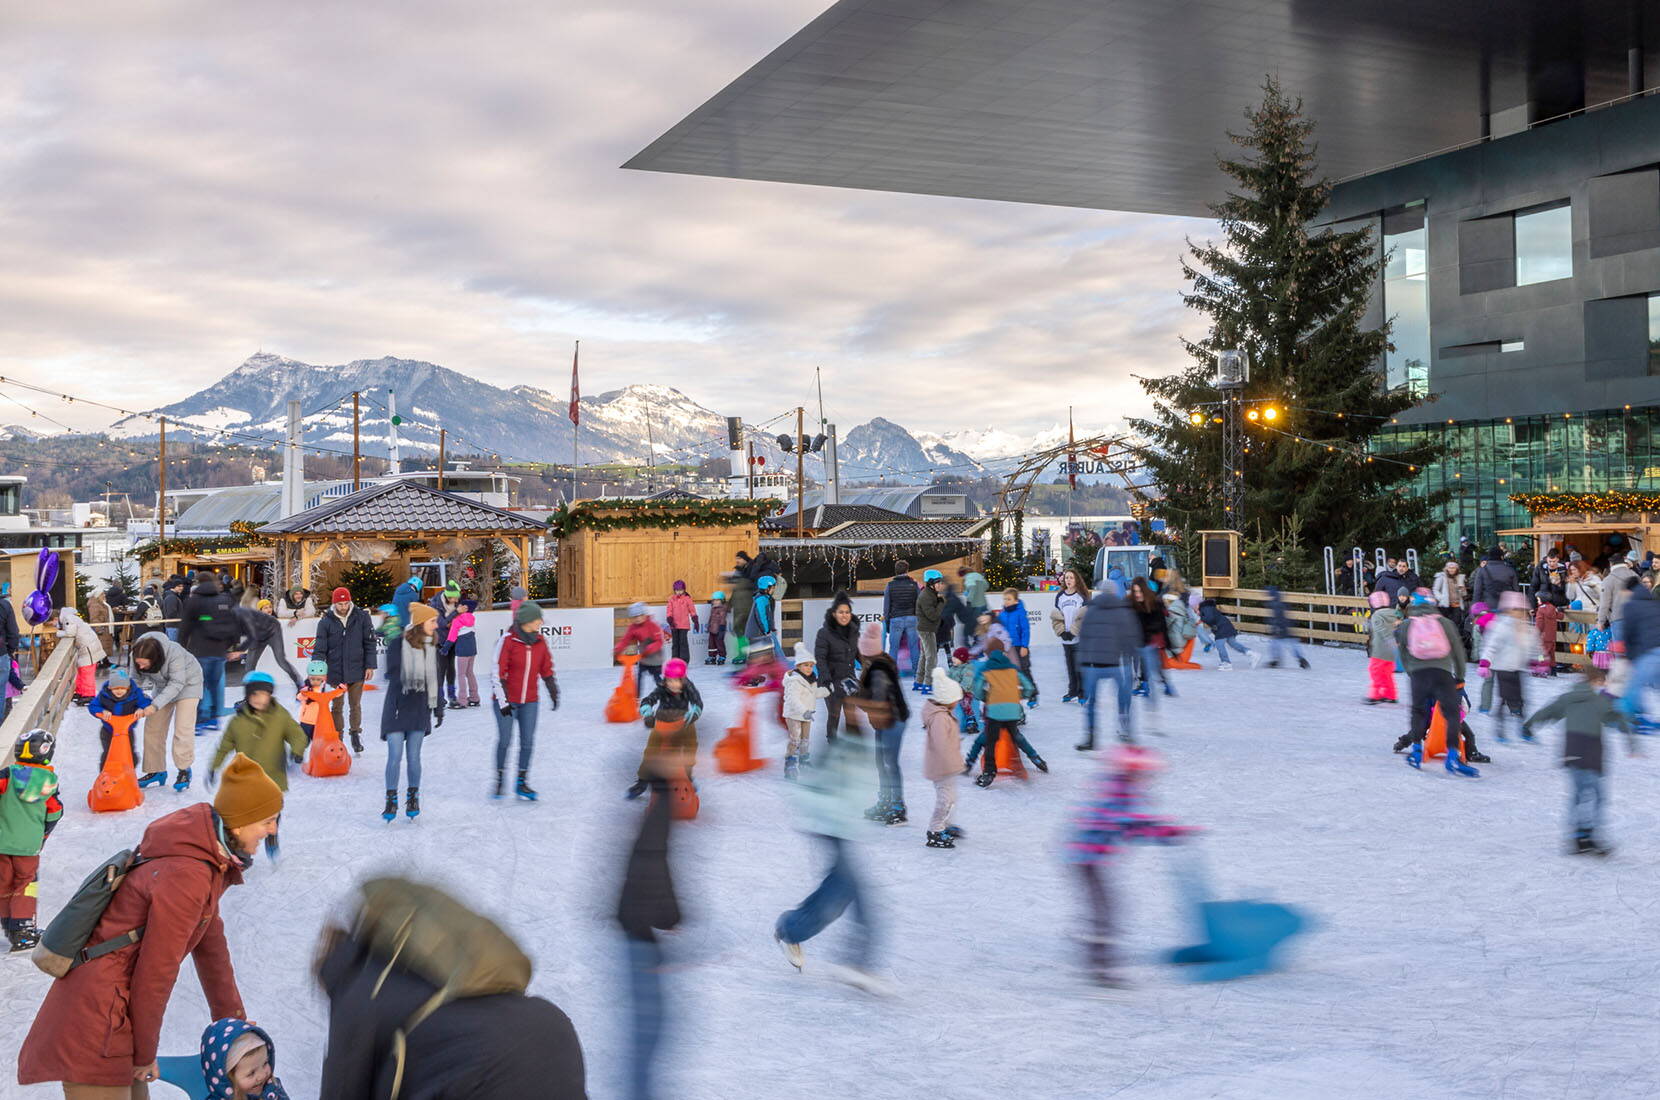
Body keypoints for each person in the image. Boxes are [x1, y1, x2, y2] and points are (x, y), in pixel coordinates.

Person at [17, 756, 280, 1095]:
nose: (272, 830)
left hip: (119, 1012)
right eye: (268, 821)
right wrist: (144, 1054)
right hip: (96, 1015)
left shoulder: (207, 862)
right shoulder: (188, 874)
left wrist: (234, 1025)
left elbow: (212, 950)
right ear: (241, 823)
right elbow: (157, 970)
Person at [316, 877, 587, 1098]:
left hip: (481, 1079)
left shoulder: (360, 993)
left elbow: (343, 1091)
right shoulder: (436, 960)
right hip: (551, 1032)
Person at [1066, 743, 1194, 988]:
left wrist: (1169, 831)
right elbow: (1135, 824)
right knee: (1106, 910)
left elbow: (1136, 826)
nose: (1148, 779)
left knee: (1105, 908)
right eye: (1144, 774)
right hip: (1086, 859)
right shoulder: (1119, 793)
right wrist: (1172, 832)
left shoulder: (1121, 790)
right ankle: (1099, 965)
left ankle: (1094, 951)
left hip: (1090, 857)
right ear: (1131, 772)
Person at [772, 726, 883, 991]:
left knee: (840, 892)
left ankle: (790, 928)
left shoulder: (865, 743)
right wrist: (834, 815)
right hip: (830, 828)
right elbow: (808, 788)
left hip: (840, 828)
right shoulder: (843, 746)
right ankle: (856, 960)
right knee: (849, 893)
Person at [617, 747, 681, 1100]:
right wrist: (671, 916)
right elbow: (652, 866)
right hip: (637, 933)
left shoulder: (660, 805)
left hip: (637, 929)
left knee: (651, 1031)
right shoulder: (661, 809)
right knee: (648, 1032)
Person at [1522, 664, 1636, 856]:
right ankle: (1589, 836)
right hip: (1590, 752)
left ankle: (1577, 837)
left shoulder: (1568, 698)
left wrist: (1528, 726)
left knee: (1579, 794)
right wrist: (1631, 740)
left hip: (1572, 751)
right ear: (1595, 681)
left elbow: (1548, 712)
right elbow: (1616, 717)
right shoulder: (1599, 701)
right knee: (1596, 795)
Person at [207, 671, 305, 860]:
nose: (259, 699)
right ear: (247, 696)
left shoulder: (280, 715)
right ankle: (242, 848)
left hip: (273, 776)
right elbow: (225, 746)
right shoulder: (237, 722)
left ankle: (271, 836)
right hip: (246, 779)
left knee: (272, 811)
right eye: (254, 695)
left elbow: (296, 734)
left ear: (270, 695)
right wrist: (214, 767)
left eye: (264, 695)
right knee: (244, 816)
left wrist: (297, 750)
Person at [1395, 593, 1476, 775]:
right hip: (1442, 673)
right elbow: (1458, 651)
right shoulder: (1444, 622)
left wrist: (1411, 672)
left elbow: (1402, 651)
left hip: (1419, 674)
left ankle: (1416, 751)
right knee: (1452, 713)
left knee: (1418, 711)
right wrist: (1460, 677)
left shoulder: (1408, 624)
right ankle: (1453, 756)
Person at [0, 728, 62, 951]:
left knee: (4, 882)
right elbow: (55, 811)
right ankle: (23, 931)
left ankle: (9, 923)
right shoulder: (49, 782)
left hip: (2, 843)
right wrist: (43, 834)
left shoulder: (7, 775)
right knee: (26, 885)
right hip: (28, 847)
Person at [489, 602, 558, 802]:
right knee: (505, 739)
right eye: (538, 619)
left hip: (530, 701)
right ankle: (500, 777)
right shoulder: (508, 640)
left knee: (527, 742)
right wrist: (503, 701)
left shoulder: (540, 641)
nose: (541, 622)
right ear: (527, 620)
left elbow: (546, 668)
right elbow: (497, 672)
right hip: (506, 700)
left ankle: (522, 781)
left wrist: (553, 690)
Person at [380, 602, 443, 822]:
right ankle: (391, 798)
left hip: (419, 708)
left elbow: (437, 678)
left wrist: (439, 707)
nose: (436, 625)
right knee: (395, 755)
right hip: (397, 706)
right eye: (432, 621)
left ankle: (413, 796)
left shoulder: (432, 647)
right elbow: (393, 674)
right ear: (420, 623)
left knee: (414, 757)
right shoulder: (397, 644)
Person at [132, 629, 206, 792]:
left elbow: (177, 684)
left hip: (188, 685)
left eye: (144, 664)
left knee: (182, 728)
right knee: (153, 728)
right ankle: (156, 770)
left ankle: (184, 769)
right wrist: (131, 701)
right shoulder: (137, 654)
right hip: (162, 686)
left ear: (155, 659)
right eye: (138, 663)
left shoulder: (174, 653)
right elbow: (135, 680)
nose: (140, 666)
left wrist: (154, 705)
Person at [851, 621, 910, 825]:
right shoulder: (874, 666)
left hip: (892, 719)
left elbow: (877, 702)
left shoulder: (878, 670)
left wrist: (856, 698)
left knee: (889, 763)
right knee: (881, 762)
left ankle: (897, 806)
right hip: (882, 721)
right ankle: (885, 801)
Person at [1074, 582, 1140, 751]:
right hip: (1117, 663)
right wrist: (1132, 659)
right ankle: (1126, 732)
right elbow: (1131, 637)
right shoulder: (1123, 611)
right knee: (1124, 700)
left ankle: (1090, 738)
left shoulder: (1091, 611)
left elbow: (1084, 637)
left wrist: (1081, 662)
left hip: (1093, 664)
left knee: (1092, 702)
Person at [971, 637, 1043, 786]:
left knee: (991, 741)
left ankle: (989, 773)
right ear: (1003, 651)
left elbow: (977, 690)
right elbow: (1029, 688)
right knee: (1016, 736)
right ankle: (1036, 759)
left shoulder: (986, 668)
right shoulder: (1012, 668)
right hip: (1013, 711)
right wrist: (1016, 697)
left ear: (988, 653)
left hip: (995, 711)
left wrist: (987, 698)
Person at [312, 586, 376, 755]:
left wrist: (370, 665)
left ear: (350, 602)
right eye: (340, 604)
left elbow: (369, 643)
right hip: (335, 671)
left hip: (357, 668)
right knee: (337, 706)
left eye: (346, 603)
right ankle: (337, 737)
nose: (343, 607)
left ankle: (355, 733)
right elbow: (319, 648)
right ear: (334, 604)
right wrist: (317, 668)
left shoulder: (361, 617)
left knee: (355, 704)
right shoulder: (325, 622)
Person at [178, 571, 241, 737]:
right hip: (219, 651)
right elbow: (235, 624)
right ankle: (213, 718)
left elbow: (185, 628)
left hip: (199, 651)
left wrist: (182, 648)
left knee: (198, 687)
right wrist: (232, 646)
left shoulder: (193, 601)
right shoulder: (225, 600)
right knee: (213, 685)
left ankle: (200, 720)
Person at [630, 659, 703, 800]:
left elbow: (697, 703)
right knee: (651, 750)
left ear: (683, 679)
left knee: (691, 744)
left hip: (683, 721)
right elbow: (648, 700)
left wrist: (694, 713)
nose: (673, 684)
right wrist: (647, 713)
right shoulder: (662, 687)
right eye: (669, 680)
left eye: (676, 681)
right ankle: (643, 781)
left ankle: (687, 775)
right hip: (662, 722)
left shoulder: (688, 686)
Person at [1480, 591, 1542, 744]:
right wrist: (1485, 662)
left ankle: (1523, 729)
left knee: (1521, 700)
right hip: (1503, 668)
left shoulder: (1528, 628)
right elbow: (1491, 646)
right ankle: (1501, 729)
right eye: (1518, 610)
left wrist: (1540, 662)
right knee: (1505, 699)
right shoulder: (1501, 626)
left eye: (1523, 610)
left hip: (1519, 669)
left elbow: (1537, 648)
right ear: (1508, 610)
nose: (1522, 614)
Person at [178, 1019, 290, 1100]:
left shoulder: (272, 1087)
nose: (262, 1075)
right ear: (227, 1078)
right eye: (251, 1073)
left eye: (265, 1063)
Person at [922, 666, 966, 849]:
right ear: (947, 700)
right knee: (945, 800)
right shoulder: (940, 718)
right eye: (956, 700)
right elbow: (941, 745)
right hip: (942, 767)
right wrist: (952, 755)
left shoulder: (944, 713)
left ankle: (945, 824)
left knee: (951, 798)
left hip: (947, 765)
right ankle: (935, 830)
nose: (957, 703)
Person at [813, 591, 860, 744]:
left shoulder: (853, 632)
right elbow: (820, 658)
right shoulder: (824, 633)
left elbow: (857, 652)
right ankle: (832, 742)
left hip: (849, 678)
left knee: (851, 713)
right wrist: (826, 679)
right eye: (841, 612)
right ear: (834, 614)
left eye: (847, 612)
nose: (844, 615)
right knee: (834, 714)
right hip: (831, 679)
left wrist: (870, 664)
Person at [1615, 579, 1660, 722]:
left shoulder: (1631, 606)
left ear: (1629, 591)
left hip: (1650, 651)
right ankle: (1638, 711)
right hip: (1654, 648)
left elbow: (1629, 632)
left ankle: (1628, 716)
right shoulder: (1654, 603)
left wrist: (1628, 656)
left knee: (1635, 683)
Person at [88, 667, 151, 768]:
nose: (119, 691)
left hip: (127, 731)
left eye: (122, 688)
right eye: (116, 688)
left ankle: (129, 773)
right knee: (108, 753)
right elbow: (93, 706)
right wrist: (102, 711)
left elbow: (147, 701)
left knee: (129, 752)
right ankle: (106, 775)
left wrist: (141, 708)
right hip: (108, 730)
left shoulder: (135, 694)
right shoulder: (103, 695)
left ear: (128, 688)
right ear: (110, 687)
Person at [782, 643, 828, 779]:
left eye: (811, 665)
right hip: (794, 715)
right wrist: (804, 711)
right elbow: (792, 700)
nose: (809, 668)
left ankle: (804, 761)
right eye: (805, 665)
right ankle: (790, 763)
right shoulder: (794, 681)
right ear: (798, 666)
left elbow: (814, 693)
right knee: (795, 739)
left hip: (807, 715)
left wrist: (828, 690)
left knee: (805, 740)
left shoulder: (811, 680)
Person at [234, 600, 301, 691]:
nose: (269, 609)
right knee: (250, 665)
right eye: (266, 608)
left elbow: (290, 613)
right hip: (258, 638)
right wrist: (241, 651)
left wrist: (296, 616)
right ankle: (248, 693)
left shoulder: (274, 619)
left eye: (270, 607)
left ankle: (300, 684)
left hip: (273, 635)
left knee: (281, 660)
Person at [1128, 577, 1175, 704]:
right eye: (1135, 591)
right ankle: (1150, 685)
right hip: (1139, 639)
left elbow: (1162, 624)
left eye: (1140, 591)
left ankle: (1161, 685)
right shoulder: (1132, 603)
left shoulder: (1154, 602)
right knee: (1146, 663)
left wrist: (1167, 642)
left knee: (1154, 664)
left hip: (1152, 639)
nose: (1137, 594)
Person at [997, 587, 1038, 706]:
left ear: (1016, 601)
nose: (1006, 601)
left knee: (1024, 670)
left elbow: (1026, 630)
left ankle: (1033, 694)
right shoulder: (1002, 614)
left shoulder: (1020, 613)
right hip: (1008, 648)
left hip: (1020, 647)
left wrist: (1024, 646)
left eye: (1009, 599)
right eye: (1005, 599)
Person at [615, 602, 668, 695]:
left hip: (655, 656)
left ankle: (665, 694)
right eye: (634, 617)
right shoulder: (633, 627)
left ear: (644, 615)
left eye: (639, 616)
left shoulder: (652, 625)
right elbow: (625, 640)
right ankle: (637, 696)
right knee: (639, 676)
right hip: (644, 657)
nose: (637, 619)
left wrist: (649, 648)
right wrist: (618, 649)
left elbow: (659, 641)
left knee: (656, 677)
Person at [1052, 568, 1088, 702]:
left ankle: (1083, 692)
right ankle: (1072, 691)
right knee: (1070, 667)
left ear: (1076, 579)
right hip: (1065, 638)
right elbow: (1057, 617)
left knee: (1079, 666)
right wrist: (1062, 631)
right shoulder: (1060, 596)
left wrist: (1074, 632)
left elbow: (1082, 618)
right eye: (1067, 578)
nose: (1068, 580)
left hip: (1078, 638)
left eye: (1071, 578)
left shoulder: (1081, 597)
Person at [57, 606, 106, 704]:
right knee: (81, 671)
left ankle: (89, 694)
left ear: (55, 618)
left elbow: (70, 633)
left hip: (88, 648)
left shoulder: (68, 618)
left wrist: (58, 633)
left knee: (87, 672)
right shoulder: (71, 618)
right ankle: (80, 691)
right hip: (87, 647)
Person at [882, 562, 920, 678]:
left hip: (896, 619)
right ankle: (917, 673)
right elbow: (919, 604)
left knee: (894, 647)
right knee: (914, 646)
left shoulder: (890, 585)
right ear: (907, 570)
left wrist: (887, 624)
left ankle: (892, 673)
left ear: (895, 571)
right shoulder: (914, 585)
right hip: (912, 618)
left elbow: (887, 607)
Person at [431, 581, 464, 708]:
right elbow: (442, 623)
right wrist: (456, 613)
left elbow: (452, 621)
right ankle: (439, 698)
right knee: (441, 670)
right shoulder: (436, 604)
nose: (457, 600)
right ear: (448, 596)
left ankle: (452, 697)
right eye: (455, 598)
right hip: (439, 642)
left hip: (452, 641)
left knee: (451, 669)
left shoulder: (455, 603)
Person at [1197, 596, 1255, 669]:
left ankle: (1226, 663)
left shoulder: (1205, 608)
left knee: (1219, 644)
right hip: (1226, 626)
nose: (1195, 611)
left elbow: (1210, 618)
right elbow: (1211, 618)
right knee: (1233, 644)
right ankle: (1251, 654)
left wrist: (1201, 618)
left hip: (1222, 627)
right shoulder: (1208, 608)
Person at [1365, 590, 1401, 705]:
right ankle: (1391, 695)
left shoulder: (1377, 615)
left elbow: (1381, 629)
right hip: (1391, 651)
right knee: (1387, 673)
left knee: (1375, 671)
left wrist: (1389, 641)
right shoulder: (1395, 613)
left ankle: (1375, 695)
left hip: (1380, 650)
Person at [913, 568, 946, 692]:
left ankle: (918, 682)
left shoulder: (930, 594)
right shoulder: (926, 596)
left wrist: (939, 600)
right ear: (931, 583)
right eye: (939, 582)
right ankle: (928, 684)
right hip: (927, 630)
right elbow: (933, 615)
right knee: (932, 657)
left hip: (927, 629)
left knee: (925, 656)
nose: (941, 585)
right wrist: (941, 602)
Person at [1263, 585, 1311, 670]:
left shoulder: (1275, 603)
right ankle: (1301, 660)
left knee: (1275, 644)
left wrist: (1277, 626)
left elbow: (1278, 616)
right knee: (1290, 643)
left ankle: (1276, 661)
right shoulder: (1279, 600)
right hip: (1287, 625)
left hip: (1282, 627)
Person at [446, 598, 481, 707]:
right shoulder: (471, 618)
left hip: (462, 650)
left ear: (465, 608)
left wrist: (444, 648)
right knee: (469, 673)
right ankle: (475, 698)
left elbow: (452, 637)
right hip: (472, 650)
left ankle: (462, 700)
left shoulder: (458, 620)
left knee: (461, 674)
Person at [1470, 545, 1520, 610]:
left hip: (1488, 606)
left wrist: (1475, 608)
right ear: (1501, 557)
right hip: (1507, 607)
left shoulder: (1482, 570)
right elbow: (1516, 590)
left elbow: (1477, 591)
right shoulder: (1510, 570)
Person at [665, 580, 700, 664]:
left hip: (684, 625)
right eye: (677, 590)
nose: (679, 592)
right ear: (674, 590)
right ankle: (675, 660)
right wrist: (669, 618)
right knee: (675, 643)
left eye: (680, 590)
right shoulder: (671, 599)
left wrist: (695, 620)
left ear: (684, 590)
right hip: (674, 625)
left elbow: (692, 610)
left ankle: (684, 661)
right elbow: (669, 610)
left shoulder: (687, 599)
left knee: (683, 643)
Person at [746, 575, 779, 660]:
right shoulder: (761, 599)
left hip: (760, 633)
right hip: (757, 633)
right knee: (759, 657)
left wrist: (772, 628)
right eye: (773, 587)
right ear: (766, 588)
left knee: (764, 655)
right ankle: (753, 672)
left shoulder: (764, 598)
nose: (774, 590)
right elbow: (761, 616)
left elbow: (768, 616)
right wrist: (766, 630)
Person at [1432, 560, 1468, 638]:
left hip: (1457, 604)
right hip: (1445, 605)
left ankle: (1454, 641)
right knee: (1445, 625)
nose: (1451, 569)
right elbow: (1435, 589)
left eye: (1453, 568)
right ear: (1446, 568)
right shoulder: (1441, 577)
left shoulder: (1460, 577)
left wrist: (1462, 589)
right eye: (1450, 568)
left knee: (1455, 625)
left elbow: (1464, 594)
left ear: (1456, 569)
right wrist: (1441, 598)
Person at [705, 590, 729, 665]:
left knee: (719, 643)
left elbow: (722, 617)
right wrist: (709, 625)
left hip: (720, 629)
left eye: (718, 600)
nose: (716, 602)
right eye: (714, 600)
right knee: (711, 644)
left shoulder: (723, 608)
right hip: (712, 629)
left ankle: (722, 656)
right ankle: (712, 656)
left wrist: (722, 626)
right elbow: (711, 618)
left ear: (722, 601)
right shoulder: (713, 608)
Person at [159, 576, 186, 642]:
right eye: (179, 586)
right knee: (173, 646)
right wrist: (181, 618)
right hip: (173, 626)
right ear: (174, 586)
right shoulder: (172, 597)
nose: (181, 588)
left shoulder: (174, 596)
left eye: (182, 586)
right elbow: (171, 613)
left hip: (173, 625)